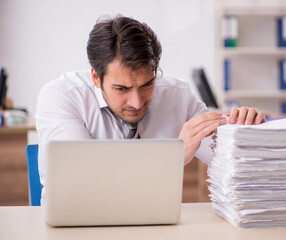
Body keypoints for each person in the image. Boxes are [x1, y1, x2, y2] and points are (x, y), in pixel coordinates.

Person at [35, 15, 265, 204]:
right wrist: (171, 157)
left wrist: (247, 134)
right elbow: (82, 184)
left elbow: (228, 156)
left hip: (154, 224)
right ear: (96, 77)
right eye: (121, 88)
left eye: (147, 84)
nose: (136, 102)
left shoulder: (177, 96)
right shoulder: (62, 96)